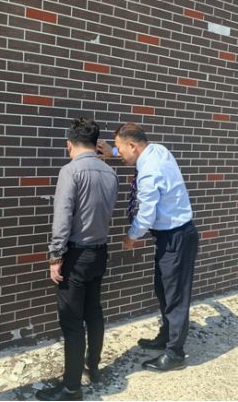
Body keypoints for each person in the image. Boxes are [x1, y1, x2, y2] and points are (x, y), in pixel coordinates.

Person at [98, 123, 199, 372]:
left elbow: (146, 216)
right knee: (163, 289)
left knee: (175, 296)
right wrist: (112, 151)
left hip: (176, 237)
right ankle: (167, 336)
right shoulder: (157, 150)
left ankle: (175, 353)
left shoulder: (148, 172)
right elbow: (130, 151)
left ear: (133, 145)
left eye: (120, 149)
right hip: (170, 236)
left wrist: (130, 237)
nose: (119, 154)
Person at [36, 118, 119, 402]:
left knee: (72, 323)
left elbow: (62, 217)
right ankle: (92, 366)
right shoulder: (110, 173)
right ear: (96, 144)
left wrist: (55, 255)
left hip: (75, 255)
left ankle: (71, 389)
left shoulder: (70, 171)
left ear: (69, 145)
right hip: (100, 252)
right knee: (93, 312)